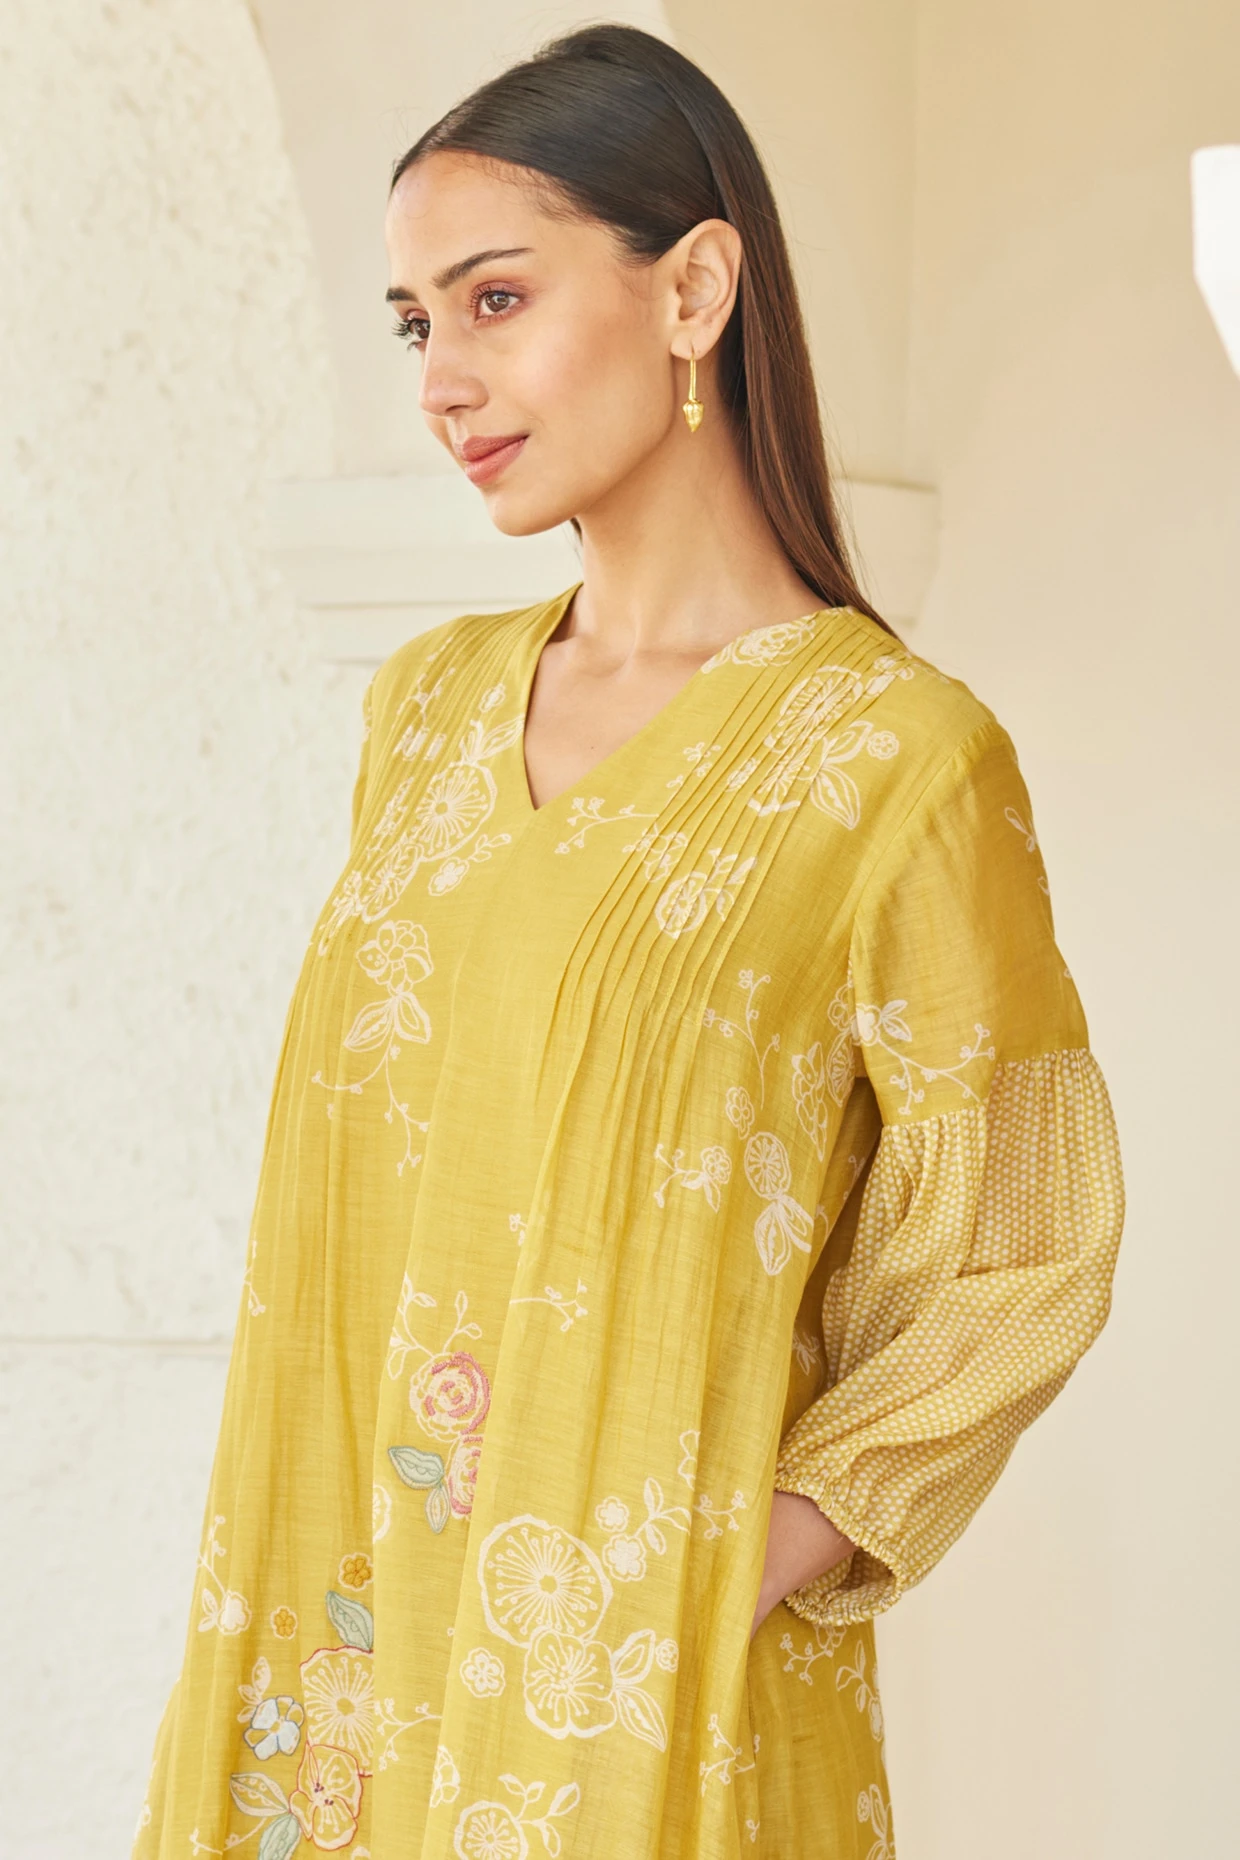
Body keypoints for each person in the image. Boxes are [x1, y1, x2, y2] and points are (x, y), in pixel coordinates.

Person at [131, 22, 1125, 1859]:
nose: (444, 380)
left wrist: (748, 1552)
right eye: (416, 324)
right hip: (345, 1643)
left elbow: (1022, 1244)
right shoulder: (426, 709)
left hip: (647, 1706)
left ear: (694, 290)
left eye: (496, 298)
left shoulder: (895, 761)